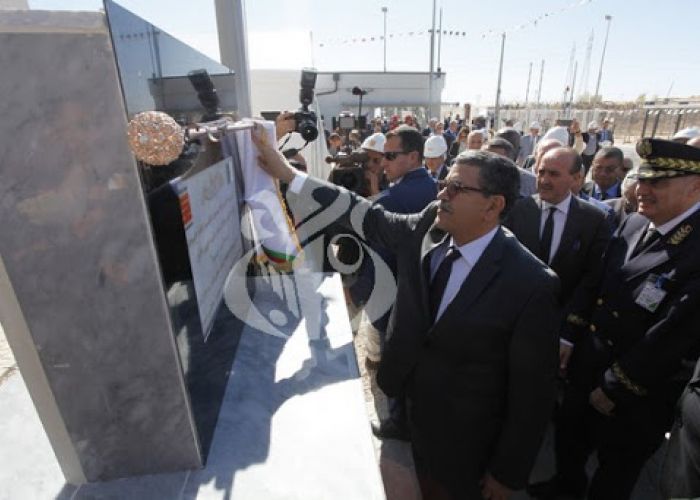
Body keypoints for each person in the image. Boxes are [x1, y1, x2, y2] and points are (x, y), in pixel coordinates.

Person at [253, 124, 560, 499]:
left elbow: (532, 397)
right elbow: (365, 215)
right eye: (444, 183)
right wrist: (288, 175)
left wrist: (507, 474)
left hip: (468, 446)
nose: (442, 193)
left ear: (493, 205)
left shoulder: (531, 283)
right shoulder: (431, 224)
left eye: (457, 189)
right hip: (416, 419)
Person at [528, 138, 700, 500]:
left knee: (614, 473)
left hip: (635, 390)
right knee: (570, 443)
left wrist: (615, 386)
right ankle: (565, 488)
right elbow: (598, 284)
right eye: (643, 180)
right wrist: (569, 336)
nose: (643, 190)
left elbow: (673, 331)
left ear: (695, 187)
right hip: (587, 362)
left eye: (659, 183)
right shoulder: (634, 222)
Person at [505, 147, 610, 354]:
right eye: (541, 172)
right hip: (513, 326)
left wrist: (568, 334)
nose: (544, 180)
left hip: (561, 332)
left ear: (576, 178)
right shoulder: (518, 211)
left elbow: (591, 281)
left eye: (553, 174)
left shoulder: (594, 220)